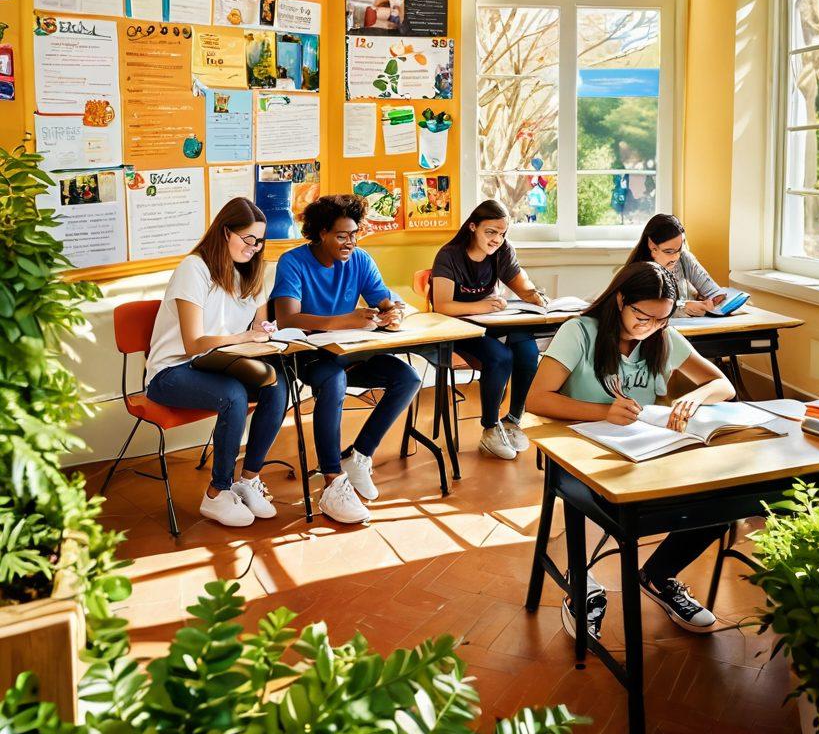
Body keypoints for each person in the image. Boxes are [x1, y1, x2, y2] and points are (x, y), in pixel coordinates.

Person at [526, 261, 736, 635]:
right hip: (581, 456)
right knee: (606, 507)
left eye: (661, 319)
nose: (651, 327)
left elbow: (722, 384)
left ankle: (659, 575)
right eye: (643, 316)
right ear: (620, 299)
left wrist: (696, 398)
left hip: (644, 454)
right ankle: (583, 584)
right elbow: (537, 400)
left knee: (723, 501)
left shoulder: (662, 337)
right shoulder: (580, 332)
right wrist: (603, 412)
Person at [272, 194, 422, 524]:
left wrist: (392, 314)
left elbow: (383, 301)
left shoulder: (360, 259)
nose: (350, 242)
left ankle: (360, 456)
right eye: (342, 236)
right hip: (309, 356)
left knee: (408, 378)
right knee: (334, 381)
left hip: (352, 352)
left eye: (354, 234)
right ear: (321, 233)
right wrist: (344, 320)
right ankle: (331, 481)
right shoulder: (293, 262)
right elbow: (286, 320)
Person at [145, 198, 288, 529]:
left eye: (260, 242)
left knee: (276, 388)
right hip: (170, 372)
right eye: (247, 240)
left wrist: (266, 334)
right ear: (225, 233)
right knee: (234, 395)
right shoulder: (194, 269)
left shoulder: (252, 273)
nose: (254, 248)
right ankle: (216, 493)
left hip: (218, 363)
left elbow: (260, 329)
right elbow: (193, 343)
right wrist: (245, 337)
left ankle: (248, 480)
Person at [430, 199, 544, 461]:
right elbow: (441, 305)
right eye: (490, 232)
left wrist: (533, 295)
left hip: (493, 322)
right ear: (473, 227)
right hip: (459, 329)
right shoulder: (449, 255)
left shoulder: (502, 251)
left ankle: (513, 420)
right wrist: (482, 306)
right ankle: (490, 429)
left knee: (527, 351)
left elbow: (521, 284)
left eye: (502, 234)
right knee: (500, 357)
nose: (497, 240)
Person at [626, 213, 725, 316]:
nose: (676, 257)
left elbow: (713, 291)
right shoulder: (640, 271)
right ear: (652, 247)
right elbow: (644, 308)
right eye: (669, 252)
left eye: (679, 249)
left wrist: (714, 299)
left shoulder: (683, 258)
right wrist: (682, 307)